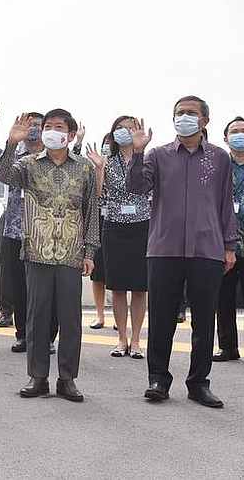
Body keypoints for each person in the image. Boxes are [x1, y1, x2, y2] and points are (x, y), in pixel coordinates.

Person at [128, 97, 237, 409]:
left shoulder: (219, 158)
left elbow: (225, 203)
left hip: (208, 248)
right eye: (179, 113)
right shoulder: (157, 155)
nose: (184, 117)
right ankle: (158, 379)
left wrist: (229, 245)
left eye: (191, 113)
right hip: (165, 248)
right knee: (162, 318)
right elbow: (137, 188)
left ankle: (198, 383)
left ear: (204, 120)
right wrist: (137, 152)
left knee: (204, 320)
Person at [0, 109, 98, 403]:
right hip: (37, 252)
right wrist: (10, 143)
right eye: (48, 126)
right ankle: (37, 376)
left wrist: (90, 251)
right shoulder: (28, 164)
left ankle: (67, 379)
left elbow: (91, 211)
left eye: (59, 127)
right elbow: (3, 175)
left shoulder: (84, 169)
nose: (53, 131)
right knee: (36, 317)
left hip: (71, 253)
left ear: (71, 134)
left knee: (70, 319)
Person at [0, 104, 58, 352]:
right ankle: (23, 334)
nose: (33, 129)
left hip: (46, 231)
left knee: (47, 289)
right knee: (19, 286)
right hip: (15, 229)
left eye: (38, 124)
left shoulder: (55, 156)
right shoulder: (14, 154)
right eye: (29, 124)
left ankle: (47, 337)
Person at [86, 119, 151, 359]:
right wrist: (99, 170)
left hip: (143, 227)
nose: (126, 131)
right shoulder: (107, 161)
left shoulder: (148, 159)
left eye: (131, 126)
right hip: (114, 228)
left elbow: (150, 190)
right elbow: (99, 196)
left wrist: (139, 150)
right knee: (118, 287)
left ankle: (136, 341)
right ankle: (121, 338)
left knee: (140, 288)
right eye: (121, 127)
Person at [215, 116, 244, 364]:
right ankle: (228, 347)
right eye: (234, 131)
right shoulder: (218, 167)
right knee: (223, 298)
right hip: (222, 243)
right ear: (225, 138)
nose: (240, 135)